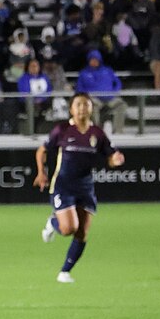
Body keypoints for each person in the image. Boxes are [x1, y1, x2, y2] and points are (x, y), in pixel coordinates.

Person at [33, 93, 125, 283]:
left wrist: (115, 160)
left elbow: (110, 155)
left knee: (82, 232)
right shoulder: (62, 130)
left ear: (91, 108)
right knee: (68, 228)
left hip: (85, 187)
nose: (82, 108)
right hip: (63, 186)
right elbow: (42, 150)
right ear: (71, 109)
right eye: (78, 104)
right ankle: (53, 223)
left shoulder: (97, 133)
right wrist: (41, 172)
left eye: (86, 104)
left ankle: (65, 272)